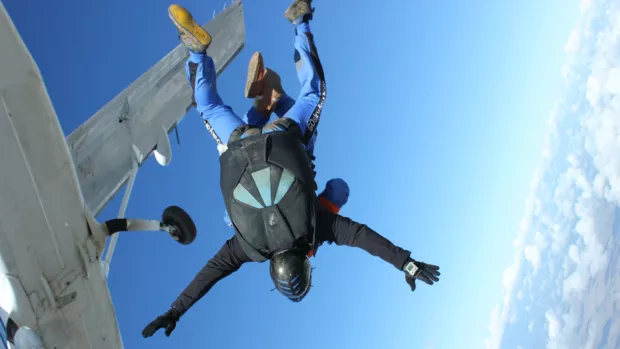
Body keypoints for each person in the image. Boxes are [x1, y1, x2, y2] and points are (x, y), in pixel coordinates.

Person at [142, 0, 440, 339]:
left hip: (282, 135)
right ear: (272, 269)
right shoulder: (248, 248)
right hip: (239, 144)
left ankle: (300, 21)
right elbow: (210, 273)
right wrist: (175, 309)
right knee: (208, 107)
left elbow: (362, 237)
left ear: (307, 264)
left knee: (314, 92)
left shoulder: (316, 227)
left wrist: (406, 263)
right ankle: (198, 54)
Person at [221, 52, 350, 227]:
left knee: (301, 133)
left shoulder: (305, 229)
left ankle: (272, 98)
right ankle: (270, 98)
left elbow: (338, 188)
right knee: (243, 142)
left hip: (284, 155)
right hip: (266, 159)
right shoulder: (262, 229)